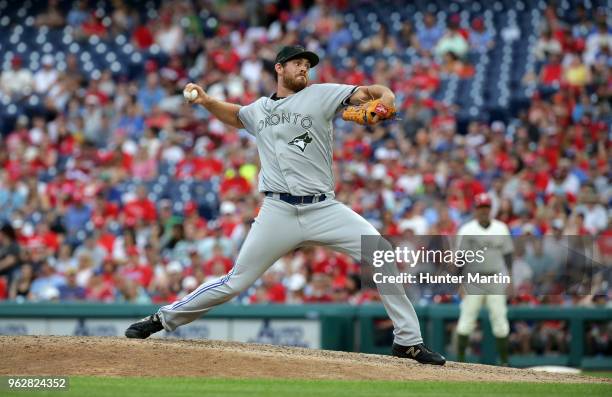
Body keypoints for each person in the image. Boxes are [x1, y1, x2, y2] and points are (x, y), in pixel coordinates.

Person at [125, 45, 445, 365]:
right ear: (280, 68)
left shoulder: (321, 94)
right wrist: (207, 101)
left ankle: (408, 341)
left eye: (308, 64)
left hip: (323, 208)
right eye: (297, 63)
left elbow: (375, 92)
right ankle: (162, 319)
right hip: (278, 210)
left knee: (381, 252)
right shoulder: (260, 109)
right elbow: (237, 115)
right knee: (236, 281)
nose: (304, 68)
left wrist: (385, 101)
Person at [455, 193, 514, 366]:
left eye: (486, 207)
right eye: (481, 207)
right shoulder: (467, 230)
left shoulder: (501, 228)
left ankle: (504, 363)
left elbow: (508, 255)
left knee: (500, 321)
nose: (483, 210)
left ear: (490, 209)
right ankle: (460, 362)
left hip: (495, 277)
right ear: (475, 209)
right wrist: (459, 284)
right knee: (466, 321)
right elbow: (460, 260)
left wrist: (511, 280)